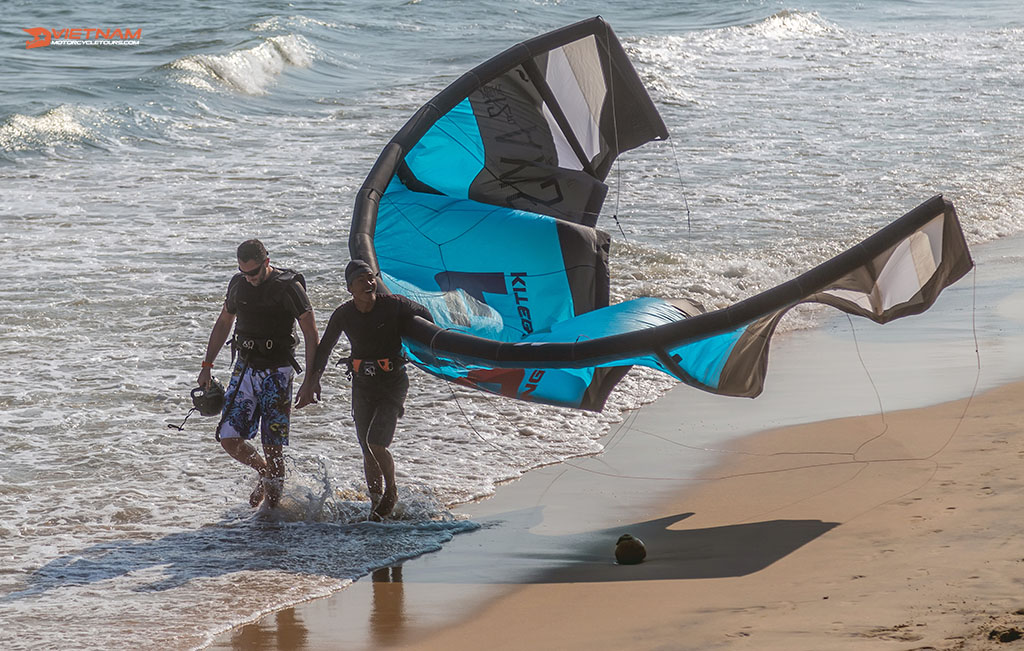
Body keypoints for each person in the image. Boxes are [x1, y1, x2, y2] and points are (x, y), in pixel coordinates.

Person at [296, 259, 433, 521]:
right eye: (362, 280)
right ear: (350, 288)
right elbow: (325, 348)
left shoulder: (395, 305)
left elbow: (427, 318)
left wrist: (432, 350)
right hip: (363, 384)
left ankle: (391, 491)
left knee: (377, 442)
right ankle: (375, 505)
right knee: (365, 447)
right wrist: (313, 380)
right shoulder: (344, 314)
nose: (369, 283)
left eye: (371, 278)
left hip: (393, 382)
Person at [197, 239, 318, 508]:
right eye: (244, 272)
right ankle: (263, 473)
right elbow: (224, 322)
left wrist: (311, 380)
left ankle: (270, 516)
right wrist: (207, 365)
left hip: (278, 372)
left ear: (266, 262)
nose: (249, 278)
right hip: (245, 368)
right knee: (228, 439)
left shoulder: (289, 287)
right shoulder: (238, 284)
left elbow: (311, 332)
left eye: (253, 272)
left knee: (272, 448)